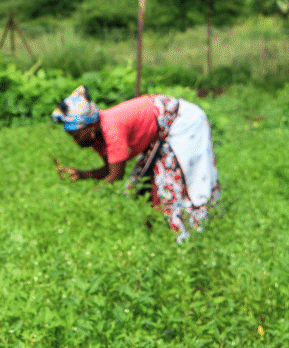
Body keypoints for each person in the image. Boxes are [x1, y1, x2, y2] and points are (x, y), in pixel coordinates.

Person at [53, 86, 221, 243]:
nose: (75, 141)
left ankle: (194, 237)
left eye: (76, 135)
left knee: (176, 183)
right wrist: (80, 174)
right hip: (162, 131)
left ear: (88, 128)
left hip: (182, 122)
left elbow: (115, 176)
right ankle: (158, 237)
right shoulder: (96, 136)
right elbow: (109, 170)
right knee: (144, 186)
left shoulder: (111, 130)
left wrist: (89, 201)